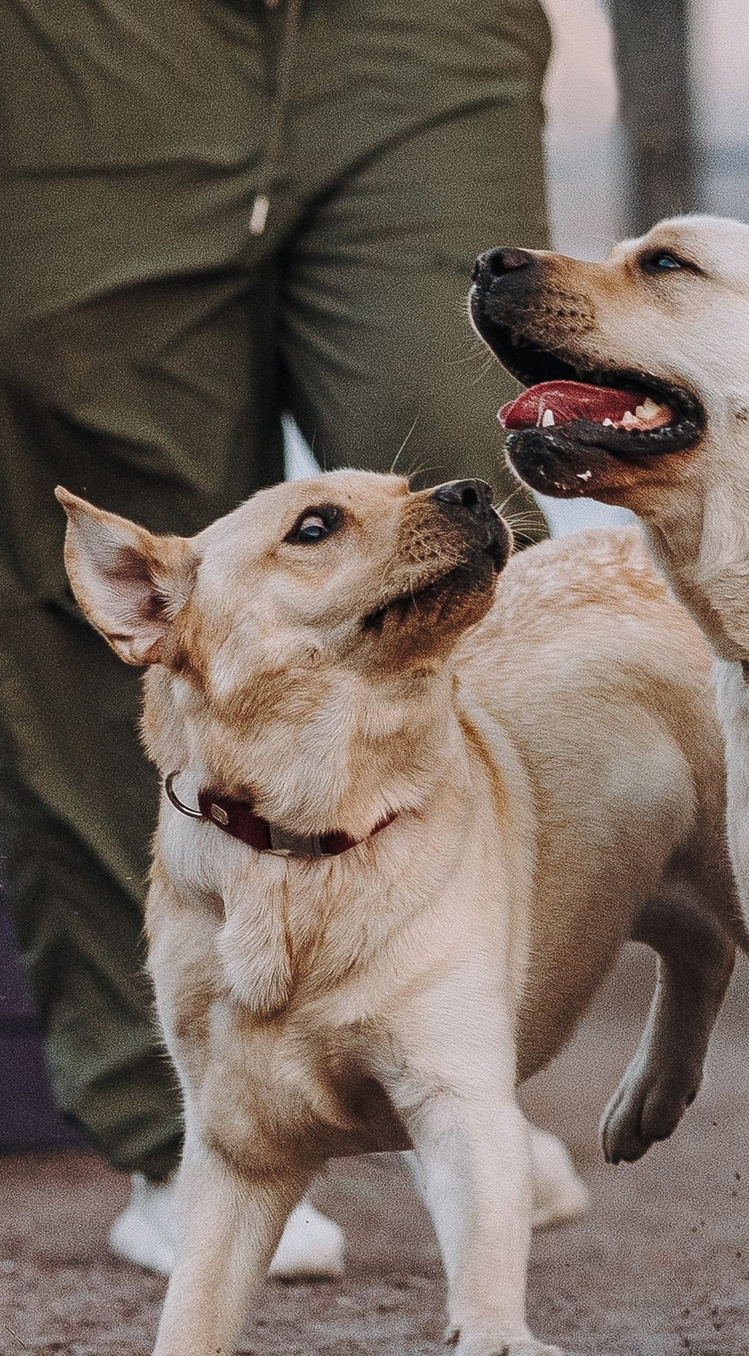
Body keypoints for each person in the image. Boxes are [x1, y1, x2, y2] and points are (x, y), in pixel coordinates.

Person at [0, 0, 579, 1277]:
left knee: (478, 512)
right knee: (130, 579)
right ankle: (187, 1127)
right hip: (83, 42)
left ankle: (449, 1038)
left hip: (417, 26)